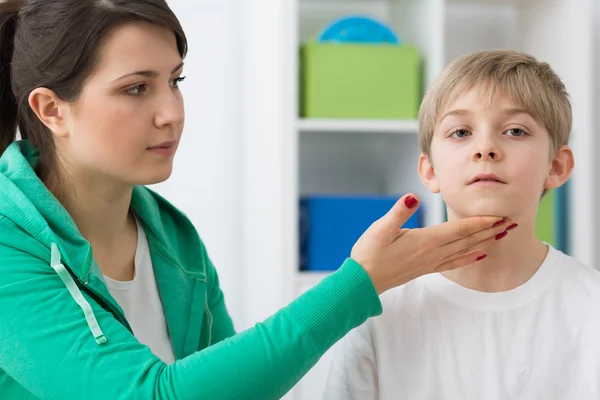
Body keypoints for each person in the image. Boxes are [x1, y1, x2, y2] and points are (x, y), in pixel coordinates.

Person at [0, 1, 516, 399]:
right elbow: (148, 394)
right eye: (136, 89)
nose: (171, 113)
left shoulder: (173, 239)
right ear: (51, 110)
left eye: (175, 81)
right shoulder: (9, 241)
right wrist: (360, 283)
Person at [323, 50, 600, 399]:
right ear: (430, 170)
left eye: (515, 131)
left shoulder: (592, 308)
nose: (485, 148)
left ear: (557, 166)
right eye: (460, 132)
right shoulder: (380, 310)